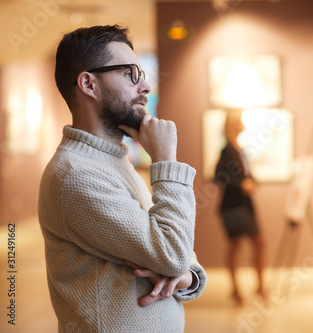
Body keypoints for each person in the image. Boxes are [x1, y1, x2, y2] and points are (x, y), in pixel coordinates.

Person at [38, 25, 206, 332]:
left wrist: (188, 276)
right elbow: (172, 252)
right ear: (88, 83)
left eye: (141, 73)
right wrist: (165, 160)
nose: (145, 86)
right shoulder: (77, 175)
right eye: (130, 73)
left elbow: (176, 251)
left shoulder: (110, 161)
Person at [214, 110, 266, 305]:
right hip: (233, 207)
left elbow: (246, 175)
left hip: (246, 206)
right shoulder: (227, 150)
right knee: (235, 246)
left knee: (260, 242)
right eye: (239, 121)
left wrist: (252, 181)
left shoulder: (239, 149)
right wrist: (241, 184)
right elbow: (218, 176)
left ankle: (260, 286)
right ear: (233, 125)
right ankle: (236, 289)